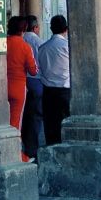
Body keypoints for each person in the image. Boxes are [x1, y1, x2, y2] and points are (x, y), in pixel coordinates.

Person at [6, 15, 39, 162]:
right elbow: (33, 70)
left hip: (2, 86)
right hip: (18, 87)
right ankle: (17, 155)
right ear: (24, 30)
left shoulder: (2, 43)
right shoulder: (26, 47)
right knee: (15, 124)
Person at [38, 15, 71, 146]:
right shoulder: (67, 47)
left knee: (50, 124)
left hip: (48, 91)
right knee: (66, 123)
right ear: (66, 29)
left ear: (51, 28)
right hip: (65, 90)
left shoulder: (43, 48)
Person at [21, 14, 44, 160]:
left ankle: (23, 148)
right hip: (35, 81)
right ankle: (32, 149)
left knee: (22, 116)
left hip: (21, 81)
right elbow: (38, 67)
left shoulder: (19, 39)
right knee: (35, 117)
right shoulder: (39, 42)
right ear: (35, 28)